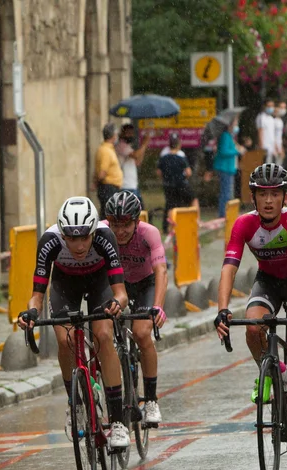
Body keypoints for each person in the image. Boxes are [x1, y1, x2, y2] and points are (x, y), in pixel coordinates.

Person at [213, 163, 287, 469]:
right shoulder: (244, 225)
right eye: (262, 194)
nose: (269, 200)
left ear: (284, 197)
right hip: (269, 283)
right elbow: (228, 268)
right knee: (253, 327)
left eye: (275, 194)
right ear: (254, 198)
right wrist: (222, 310)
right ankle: (275, 370)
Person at [18, 197, 131, 449]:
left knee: (103, 335)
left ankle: (117, 422)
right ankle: (75, 404)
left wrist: (117, 304)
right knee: (64, 339)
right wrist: (30, 313)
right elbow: (37, 296)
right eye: (71, 238)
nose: (79, 246)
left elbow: (121, 293)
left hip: (99, 282)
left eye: (84, 238)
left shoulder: (105, 236)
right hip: (65, 284)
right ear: (62, 233)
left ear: (93, 232)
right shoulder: (49, 241)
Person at [102, 192, 167, 425]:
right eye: (115, 225)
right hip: (114, 285)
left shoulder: (149, 233)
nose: (120, 231)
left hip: (144, 285)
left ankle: (150, 400)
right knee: (102, 335)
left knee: (141, 333)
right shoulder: (101, 232)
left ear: (137, 221)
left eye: (126, 225)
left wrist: (157, 306)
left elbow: (161, 270)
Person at [157, 132, 198, 224]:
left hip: (168, 185)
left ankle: (170, 226)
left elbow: (159, 172)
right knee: (193, 199)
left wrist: (166, 178)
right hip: (181, 184)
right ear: (179, 144)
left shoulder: (164, 157)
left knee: (171, 206)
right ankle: (196, 221)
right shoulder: (180, 157)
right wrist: (182, 177)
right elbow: (188, 172)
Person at [214, 116, 240, 218]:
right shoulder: (225, 136)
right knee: (225, 192)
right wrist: (236, 151)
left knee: (227, 192)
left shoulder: (229, 136)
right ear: (230, 125)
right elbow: (224, 151)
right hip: (225, 168)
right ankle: (223, 214)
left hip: (229, 168)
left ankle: (225, 213)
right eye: (235, 123)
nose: (236, 126)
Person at [115, 123, 146, 202]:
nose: (131, 135)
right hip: (125, 185)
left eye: (132, 133)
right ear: (122, 133)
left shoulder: (128, 147)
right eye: (128, 133)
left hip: (132, 185)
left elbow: (138, 162)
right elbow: (136, 155)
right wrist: (144, 144)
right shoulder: (121, 146)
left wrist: (143, 146)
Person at [94, 124, 123, 210]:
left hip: (111, 188)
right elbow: (102, 172)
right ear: (113, 136)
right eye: (116, 134)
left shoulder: (108, 149)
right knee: (109, 213)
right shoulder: (106, 151)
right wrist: (96, 183)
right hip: (108, 188)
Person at [257, 97, 282, 163]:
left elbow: (272, 134)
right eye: (269, 106)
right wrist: (261, 147)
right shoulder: (261, 117)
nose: (271, 108)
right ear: (264, 106)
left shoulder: (271, 118)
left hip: (272, 148)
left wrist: (276, 147)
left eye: (272, 106)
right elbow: (260, 132)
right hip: (265, 147)